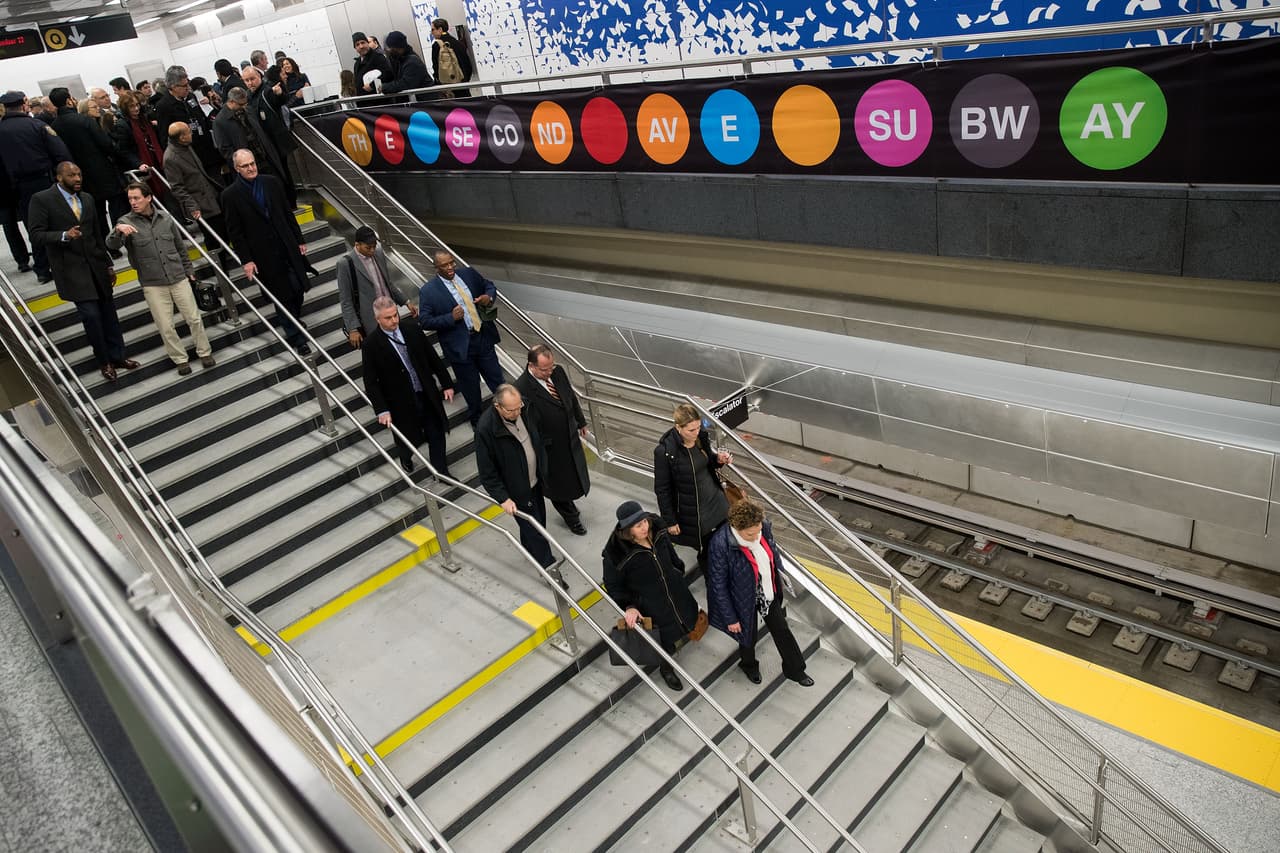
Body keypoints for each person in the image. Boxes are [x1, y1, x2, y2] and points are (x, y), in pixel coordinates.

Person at [28, 162, 138, 382]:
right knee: (92, 317)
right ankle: (104, 361)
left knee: (109, 315)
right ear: (59, 178)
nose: (77, 178)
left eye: (79, 174)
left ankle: (119, 356)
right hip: (71, 271)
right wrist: (63, 235)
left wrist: (108, 264)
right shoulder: (42, 200)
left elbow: (97, 235)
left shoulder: (87, 198)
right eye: (71, 175)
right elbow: (36, 235)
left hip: (96, 267)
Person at [106, 181, 214, 375]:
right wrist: (117, 231)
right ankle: (181, 360)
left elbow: (180, 247)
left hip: (178, 276)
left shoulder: (166, 218)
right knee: (166, 326)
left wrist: (189, 269)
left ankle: (204, 352)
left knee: (194, 318)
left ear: (148, 198)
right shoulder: (125, 222)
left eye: (137, 198)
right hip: (153, 283)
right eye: (130, 199)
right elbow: (111, 244)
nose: (133, 202)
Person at [706, 499, 813, 687]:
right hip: (740, 596)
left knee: (782, 630)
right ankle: (748, 665)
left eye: (758, 531)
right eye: (750, 534)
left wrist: (779, 570)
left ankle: (795, 670)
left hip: (766, 591)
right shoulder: (720, 544)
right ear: (736, 527)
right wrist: (730, 618)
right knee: (748, 636)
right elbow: (718, 585)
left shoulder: (762, 527)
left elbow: (772, 550)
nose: (756, 537)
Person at [220, 149, 311, 353]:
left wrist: (299, 239)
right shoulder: (230, 196)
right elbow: (236, 233)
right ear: (236, 169)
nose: (251, 168)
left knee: (297, 288)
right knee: (281, 296)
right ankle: (296, 338)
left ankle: (293, 320)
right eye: (245, 166)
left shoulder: (271, 182)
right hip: (263, 254)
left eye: (252, 163)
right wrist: (247, 260)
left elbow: (287, 214)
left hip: (286, 245)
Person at [603, 500, 699, 691]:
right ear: (627, 530)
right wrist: (629, 606)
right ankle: (666, 669)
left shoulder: (658, 532)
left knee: (681, 620)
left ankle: (675, 644)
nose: (644, 527)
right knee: (661, 639)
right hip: (650, 603)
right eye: (638, 526)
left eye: (645, 522)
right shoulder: (617, 554)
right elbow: (614, 586)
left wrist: (676, 570)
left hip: (675, 590)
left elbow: (671, 555)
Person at [475, 384, 565, 583]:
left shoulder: (526, 410)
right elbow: (487, 472)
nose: (517, 412)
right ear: (497, 406)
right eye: (511, 410)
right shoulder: (486, 429)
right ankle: (551, 572)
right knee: (537, 531)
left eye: (519, 407)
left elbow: (537, 435)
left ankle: (529, 548)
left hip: (536, 481)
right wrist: (503, 498)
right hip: (516, 491)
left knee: (538, 521)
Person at [362, 296, 455, 475]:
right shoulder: (371, 344)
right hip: (400, 400)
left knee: (436, 432)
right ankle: (405, 456)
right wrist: (382, 409)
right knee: (409, 436)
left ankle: (442, 472)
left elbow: (432, 357)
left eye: (395, 315)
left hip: (425, 392)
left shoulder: (412, 329)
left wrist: (447, 384)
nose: (394, 320)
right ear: (378, 319)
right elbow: (371, 381)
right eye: (388, 318)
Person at [418, 250, 503, 427]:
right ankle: (478, 423)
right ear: (436, 268)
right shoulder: (428, 291)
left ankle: (508, 412)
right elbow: (424, 321)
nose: (450, 267)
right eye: (445, 265)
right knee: (471, 390)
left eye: (452, 263)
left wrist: (489, 297)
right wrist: (450, 318)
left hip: (482, 338)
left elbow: (489, 286)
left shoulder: (468, 274)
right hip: (460, 348)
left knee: (498, 381)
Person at [514, 344, 589, 535]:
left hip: (569, 438)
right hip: (548, 447)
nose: (549, 372)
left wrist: (580, 421)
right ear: (531, 366)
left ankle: (571, 506)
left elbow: (570, 397)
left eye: (551, 367)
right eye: (544, 369)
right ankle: (571, 518)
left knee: (573, 475)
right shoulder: (521, 388)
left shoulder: (558, 372)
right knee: (557, 485)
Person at [0, 91, 71, 281]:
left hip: (18, 188)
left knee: (34, 228)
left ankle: (42, 269)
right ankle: (64, 265)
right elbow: (60, 153)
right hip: (44, 181)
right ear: (24, 104)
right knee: (57, 222)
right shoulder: (37, 125)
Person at [654, 403, 733, 571]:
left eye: (698, 427)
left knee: (726, 541)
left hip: (717, 501)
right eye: (691, 430)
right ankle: (715, 584)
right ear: (678, 427)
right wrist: (670, 520)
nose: (696, 432)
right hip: (696, 512)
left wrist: (718, 459)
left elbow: (707, 462)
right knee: (708, 551)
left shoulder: (700, 439)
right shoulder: (665, 452)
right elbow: (662, 489)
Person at [50, 88, 124, 248]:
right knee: (115, 204)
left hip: (77, 175)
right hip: (101, 169)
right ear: (69, 100)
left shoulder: (53, 126)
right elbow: (105, 144)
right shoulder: (84, 120)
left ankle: (104, 244)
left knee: (94, 211)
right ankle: (118, 237)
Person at [163, 121, 231, 269]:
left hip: (210, 194)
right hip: (199, 202)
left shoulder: (185, 147)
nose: (191, 133)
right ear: (181, 137)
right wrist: (192, 206)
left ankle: (225, 261)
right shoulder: (171, 158)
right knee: (212, 236)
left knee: (224, 229)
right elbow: (177, 187)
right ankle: (220, 269)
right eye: (188, 132)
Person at [337, 225, 415, 341]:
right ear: (357, 244)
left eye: (374, 246)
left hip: (389, 310)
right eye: (368, 248)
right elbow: (346, 300)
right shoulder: (345, 264)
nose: (372, 250)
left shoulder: (378, 253)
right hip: (370, 317)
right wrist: (353, 329)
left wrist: (405, 301)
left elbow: (387, 283)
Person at [240, 67, 297, 205]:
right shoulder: (248, 96)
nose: (250, 83)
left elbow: (279, 100)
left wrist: (279, 94)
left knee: (283, 171)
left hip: (275, 140)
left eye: (252, 79)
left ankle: (290, 201)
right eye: (246, 80)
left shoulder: (267, 90)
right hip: (263, 143)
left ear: (259, 77)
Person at [112, 92, 165, 198]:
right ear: (125, 108)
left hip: (157, 159)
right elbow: (124, 150)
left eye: (137, 105)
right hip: (143, 164)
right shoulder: (123, 125)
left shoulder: (144, 119)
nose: (136, 108)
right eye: (132, 106)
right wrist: (138, 163)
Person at [430, 19, 473, 97]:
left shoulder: (437, 45)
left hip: (449, 88)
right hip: (463, 85)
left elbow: (436, 68)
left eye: (433, 29)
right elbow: (468, 65)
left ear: (440, 29)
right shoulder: (458, 43)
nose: (431, 32)